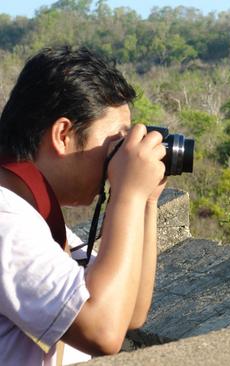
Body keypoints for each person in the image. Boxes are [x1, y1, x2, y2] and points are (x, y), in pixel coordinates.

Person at [0, 46, 166, 365]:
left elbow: (129, 313)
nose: (115, 159)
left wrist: (146, 201)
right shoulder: (8, 220)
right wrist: (127, 194)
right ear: (63, 134)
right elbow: (103, 331)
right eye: (113, 144)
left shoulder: (34, 213)